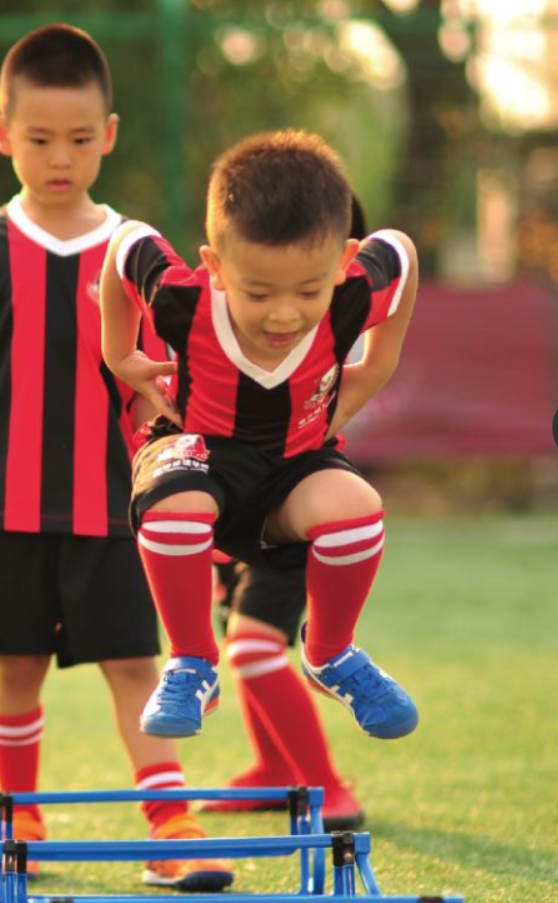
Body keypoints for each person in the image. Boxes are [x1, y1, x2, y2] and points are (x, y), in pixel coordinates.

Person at [0, 24, 232, 893]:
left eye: (81, 139)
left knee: (137, 665)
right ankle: (19, 819)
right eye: (39, 138)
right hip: (7, 509)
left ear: (111, 134)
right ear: (2, 135)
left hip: (113, 506)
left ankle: (170, 824)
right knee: (16, 668)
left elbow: (163, 375)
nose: (60, 157)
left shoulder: (133, 247)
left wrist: (174, 447)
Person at [100, 129, 420, 744]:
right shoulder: (179, 300)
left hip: (296, 461)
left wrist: (368, 376)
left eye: (308, 290)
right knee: (175, 507)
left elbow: (400, 253)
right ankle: (193, 659)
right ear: (216, 266)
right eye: (258, 291)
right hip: (199, 451)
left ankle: (330, 655)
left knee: (359, 511)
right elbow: (124, 244)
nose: (284, 314)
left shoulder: (354, 292)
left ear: (343, 263)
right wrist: (120, 353)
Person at [197, 194, 374, 831]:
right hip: (229, 516)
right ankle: (276, 769)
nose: (285, 309)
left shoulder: (325, 333)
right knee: (238, 640)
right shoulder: (218, 325)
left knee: (252, 648)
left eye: (308, 285)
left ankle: (325, 784)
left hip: (291, 518)